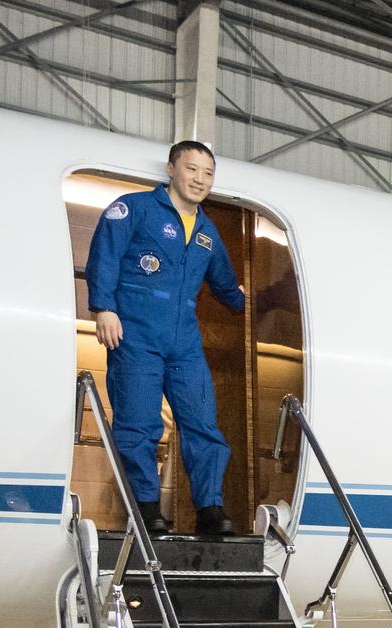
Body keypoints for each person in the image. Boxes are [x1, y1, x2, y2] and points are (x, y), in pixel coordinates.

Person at [85, 140, 246, 537]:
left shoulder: (207, 231)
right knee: (139, 424)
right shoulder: (134, 210)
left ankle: (210, 507)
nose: (200, 180)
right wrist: (103, 308)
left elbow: (226, 285)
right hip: (136, 333)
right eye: (192, 169)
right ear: (171, 169)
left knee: (202, 424)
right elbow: (104, 255)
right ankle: (146, 506)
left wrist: (257, 301)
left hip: (184, 341)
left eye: (208, 174)